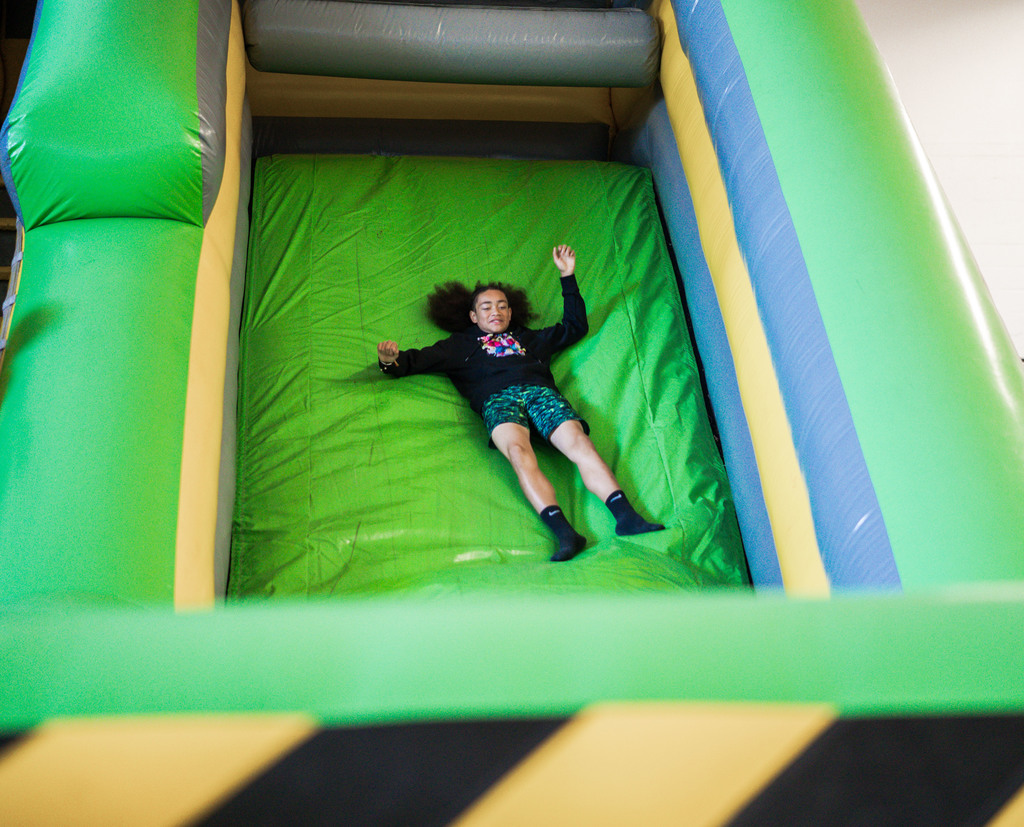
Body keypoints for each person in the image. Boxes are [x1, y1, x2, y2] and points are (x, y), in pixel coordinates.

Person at [376, 244, 663, 561]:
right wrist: (389, 361)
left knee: (579, 444)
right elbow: (410, 363)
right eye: (486, 307)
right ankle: (565, 535)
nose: (495, 311)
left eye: (501, 306)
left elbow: (575, 327)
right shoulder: (458, 346)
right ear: (473, 316)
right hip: (497, 400)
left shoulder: (530, 339)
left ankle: (626, 517)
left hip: (539, 392)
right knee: (517, 451)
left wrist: (567, 276)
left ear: (511, 313)